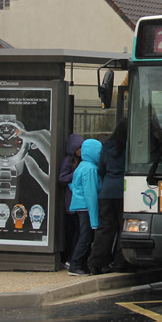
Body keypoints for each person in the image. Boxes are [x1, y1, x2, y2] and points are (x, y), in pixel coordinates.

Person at [89, 118, 130, 274]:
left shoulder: (107, 146)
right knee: (122, 228)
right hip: (124, 190)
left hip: (107, 191)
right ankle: (120, 262)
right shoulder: (130, 147)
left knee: (104, 228)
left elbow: (101, 169)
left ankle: (96, 262)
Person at [67, 138, 102, 276]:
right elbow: (90, 194)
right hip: (87, 208)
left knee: (83, 236)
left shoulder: (81, 166)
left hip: (80, 206)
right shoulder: (91, 169)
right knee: (86, 237)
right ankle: (76, 264)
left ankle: (78, 264)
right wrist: (95, 221)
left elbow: (74, 186)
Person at [58, 133, 84, 268]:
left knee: (77, 231)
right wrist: (76, 174)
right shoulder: (68, 161)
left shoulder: (82, 160)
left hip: (76, 199)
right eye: (78, 148)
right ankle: (69, 257)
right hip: (71, 200)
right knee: (73, 232)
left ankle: (70, 256)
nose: (80, 151)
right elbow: (62, 178)